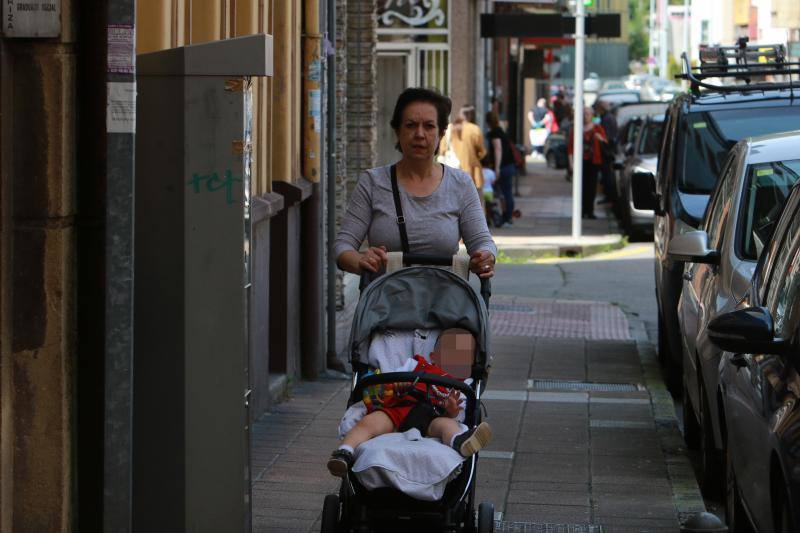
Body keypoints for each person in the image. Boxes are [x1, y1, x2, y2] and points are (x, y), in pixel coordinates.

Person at [333, 87, 496, 279]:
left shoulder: (460, 184)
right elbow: (342, 246)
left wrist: (485, 257)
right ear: (397, 131)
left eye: (429, 126)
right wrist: (360, 261)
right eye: (410, 125)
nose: (419, 134)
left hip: (444, 303)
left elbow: (482, 241)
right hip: (385, 303)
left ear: (441, 133)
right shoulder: (373, 182)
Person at [327, 328, 493, 477]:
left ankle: (459, 441)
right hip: (399, 410)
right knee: (370, 422)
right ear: (434, 357)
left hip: (432, 418)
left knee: (447, 425)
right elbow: (390, 381)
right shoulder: (416, 364)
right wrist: (398, 385)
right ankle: (344, 452)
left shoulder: (464, 384)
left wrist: (452, 411)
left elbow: (460, 416)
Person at [567, 106, 608, 219]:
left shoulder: (597, 128)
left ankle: (589, 211)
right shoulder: (576, 129)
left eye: (588, 114)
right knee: (580, 187)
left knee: (591, 187)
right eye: (584, 114)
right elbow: (570, 148)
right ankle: (581, 211)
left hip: (594, 162)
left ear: (592, 116)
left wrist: (600, 138)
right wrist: (571, 163)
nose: (586, 116)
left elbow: (606, 142)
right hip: (580, 162)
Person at [441, 105, 487, 193]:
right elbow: (482, 152)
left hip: (452, 174)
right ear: (471, 116)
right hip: (471, 174)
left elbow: (442, 150)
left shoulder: (449, 129)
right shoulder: (475, 129)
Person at [485, 111, 516, 227]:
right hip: (509, 165)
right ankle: (508, 217)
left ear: (488, 122)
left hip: (504, 166)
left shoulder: (495, 133)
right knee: (506, 192)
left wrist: (497, 168)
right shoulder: (501, 130)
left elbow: (498, 149)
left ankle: (507, 218)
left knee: (504, 193)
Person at [593, 100, 619, 206]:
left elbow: (608, 137)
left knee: (607, 176)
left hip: (607, 152)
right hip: (607, 151)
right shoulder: (607, 117)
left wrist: (600, 139)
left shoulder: (607, 119)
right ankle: (608, 196)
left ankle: (610, 197)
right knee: (606, 176)